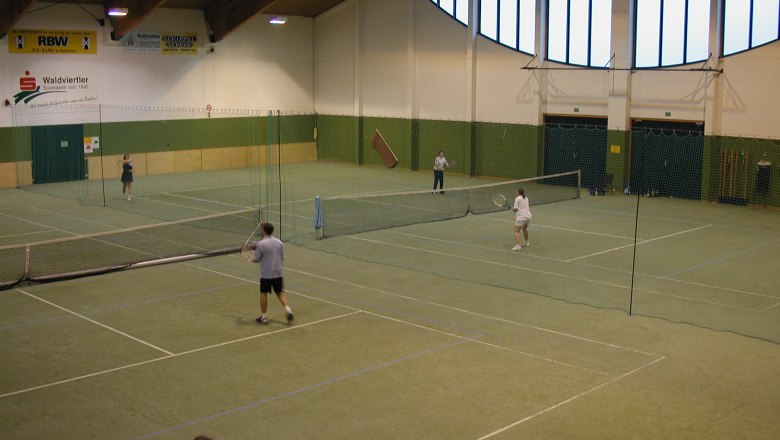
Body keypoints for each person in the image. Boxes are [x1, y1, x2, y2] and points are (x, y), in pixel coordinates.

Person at [250, 223, 294, 324]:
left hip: (266, 274)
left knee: (263, 293)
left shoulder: (261, 244)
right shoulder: (279, 242)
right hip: (278, 272)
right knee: (280, 292)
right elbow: (282, 257)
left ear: (264, 231)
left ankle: (264, 317)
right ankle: (288, 310)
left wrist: (251, 258)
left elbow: (256, 259)